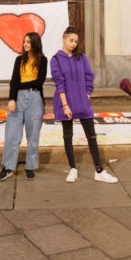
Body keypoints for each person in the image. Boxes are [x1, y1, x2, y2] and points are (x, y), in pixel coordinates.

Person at [50, 27, 118, 184]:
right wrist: (65, 105)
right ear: (63, 39)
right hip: (65, 102)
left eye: (76, 41)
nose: (73, 44)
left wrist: (87, 95)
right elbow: (59, 83)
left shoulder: (81, 57)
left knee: (92, 136)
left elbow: (89, 76)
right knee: (68, 136)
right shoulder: (56, 59)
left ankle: (99, 170)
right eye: (70, 40)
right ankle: (72, 168)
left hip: (82, 102)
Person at [0, 32, 47, 181]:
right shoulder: (19, 60)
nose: (25, 44)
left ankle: (30, 167)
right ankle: (8, 167)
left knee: (33, 136)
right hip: (18, 98)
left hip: (35, 98)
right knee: (12, 134)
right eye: (24, 42)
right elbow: (14, 81)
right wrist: (12, 98)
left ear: (35, 44)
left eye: (28, 42)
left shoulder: (42, 60)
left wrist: (19, 85)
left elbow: (39, 82)